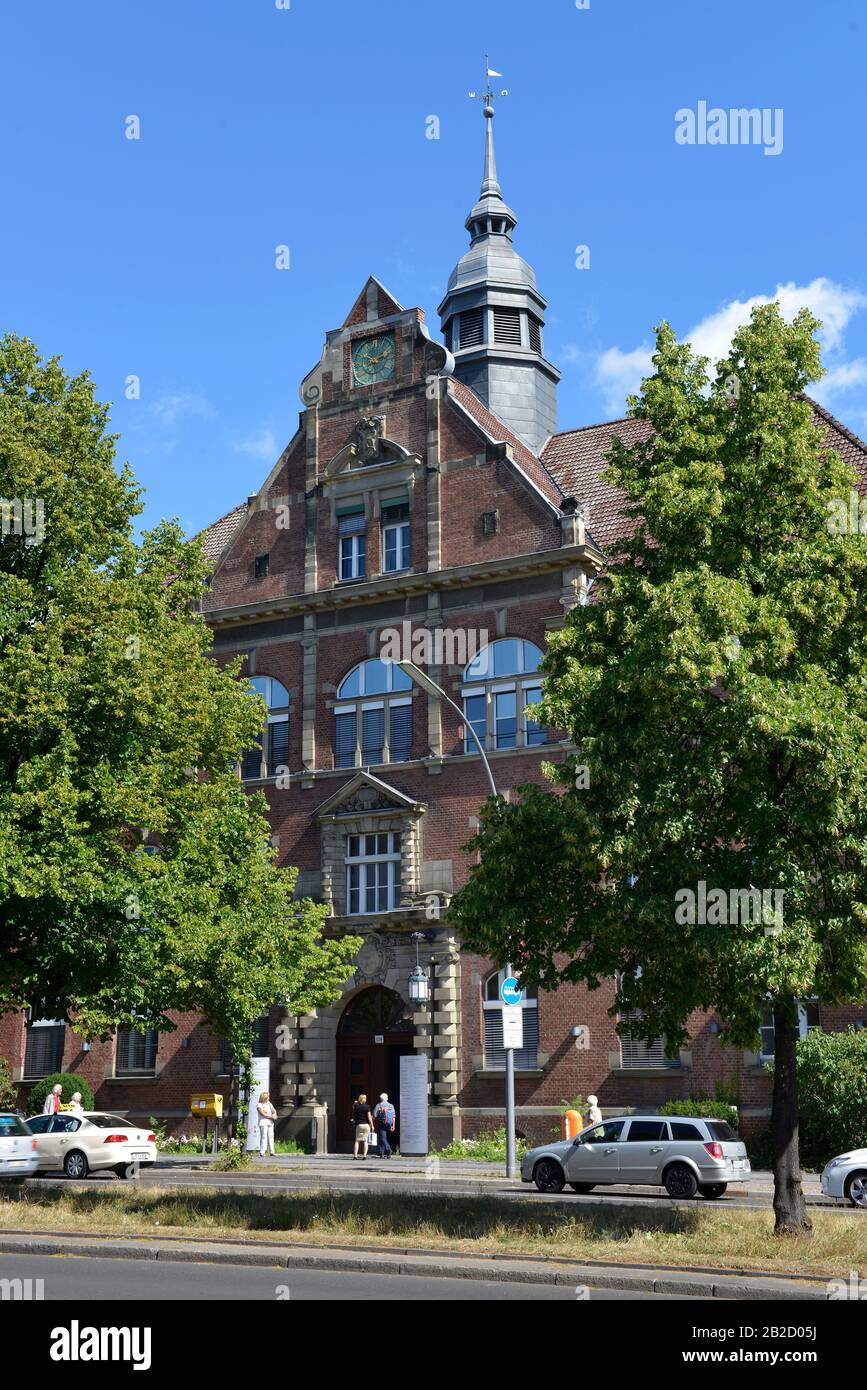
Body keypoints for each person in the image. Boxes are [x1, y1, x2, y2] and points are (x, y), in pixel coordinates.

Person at [373, 1093, 396, 1159]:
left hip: (382, 1123)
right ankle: (381, 1152)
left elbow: (375, 1115)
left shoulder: (379, 1105)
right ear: (387, 1098)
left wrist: (371, 1122)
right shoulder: (391, 1105)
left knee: (382, 1137)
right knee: (383, 1137)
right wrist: (393, 1125)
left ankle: (388, 1150)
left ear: (380, 1099)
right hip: (389, 1123)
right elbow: (394, 1116)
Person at [351, 1093, 374, 1159]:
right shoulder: (367, 1106)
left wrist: (355, 1103)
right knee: (365, 1141)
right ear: (365, 1099)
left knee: (357, 1141)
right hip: (366, 1125)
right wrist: (372, 1125)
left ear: (359, 1099)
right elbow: (369, 1117)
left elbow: (353, 1108)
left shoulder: (357, 1106)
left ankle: (355, 1156)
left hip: (359, 1125)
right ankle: (364, 1156)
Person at [256, 1091, 277, 1156]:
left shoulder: (269, 1103)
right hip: (263, 1123)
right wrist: (272, 1117)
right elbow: (263, 1114)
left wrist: (275, 1115)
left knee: (271, 1136)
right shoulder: (259, 1105)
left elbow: (274, 1110)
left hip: (270, 1123)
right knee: (264, 1136)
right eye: (267, 1097)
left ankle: (272, 1151)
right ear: (264, 1098)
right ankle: (262, 1151)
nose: (268, 1098)